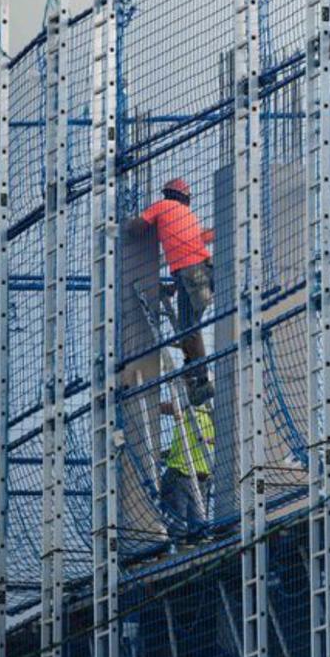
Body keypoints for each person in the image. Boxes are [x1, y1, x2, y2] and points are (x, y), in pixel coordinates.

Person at [129, 178, 215, 405]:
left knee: (190, 329)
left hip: (193, 274)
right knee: (189, 327)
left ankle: (202, 378)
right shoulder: (188, 216)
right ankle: (195, 375)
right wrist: (172, 287)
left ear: (168, 194)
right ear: (185, 197)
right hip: (203, 272)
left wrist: (119, 225)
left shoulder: (163, 206)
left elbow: (137, 227)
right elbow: (188, 254)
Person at [159, 402, 214, 544]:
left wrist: (155, 406)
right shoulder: (211, 415)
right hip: (200, 475)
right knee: (197, 526)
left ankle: (179, 547)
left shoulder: (190, 409)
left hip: (182, 474)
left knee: (178, 526)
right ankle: (194, 545)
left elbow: (172, 407)